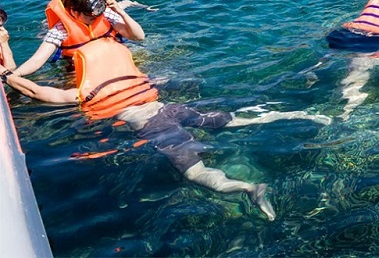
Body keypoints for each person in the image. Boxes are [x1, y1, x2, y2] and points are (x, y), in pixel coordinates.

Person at [0, 32, 331, 220]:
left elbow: (35, 91)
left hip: (156, 127)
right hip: (171, 108)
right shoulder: (130, 75)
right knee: (235, 121)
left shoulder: (85, 90)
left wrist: (8, 76)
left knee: (195, 174)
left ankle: (248, 189)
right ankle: (299, 115)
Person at [13, 0, 146, 77]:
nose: (95, 18)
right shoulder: (60, 30)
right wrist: (14, 74)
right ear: (73, 11)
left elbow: (139, 37)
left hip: (114, 61)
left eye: (97, 13)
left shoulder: (104, 14)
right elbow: (37, 60)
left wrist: (120, 13)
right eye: (89, 16)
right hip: (81, 70)